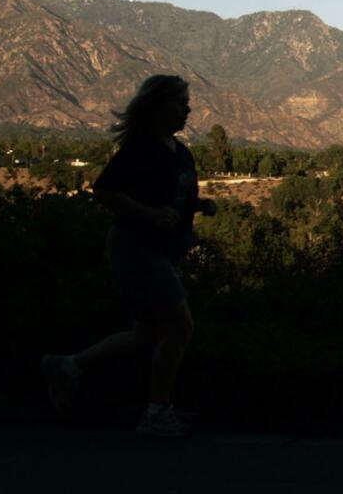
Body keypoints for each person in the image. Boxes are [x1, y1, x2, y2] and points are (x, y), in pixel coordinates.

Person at [42, 74, 216, 437]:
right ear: (157, 106)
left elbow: (168, 196)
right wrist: (150, 216)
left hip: (162, 251)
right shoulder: (141, 148)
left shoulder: (178, 150)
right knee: (181, 327)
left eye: (187, 102)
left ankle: (68, 366)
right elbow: (105, 191)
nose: (188, 108)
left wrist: (197, 206)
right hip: (138, 248)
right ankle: (156, 413)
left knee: (146, 333)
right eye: (180, 102)